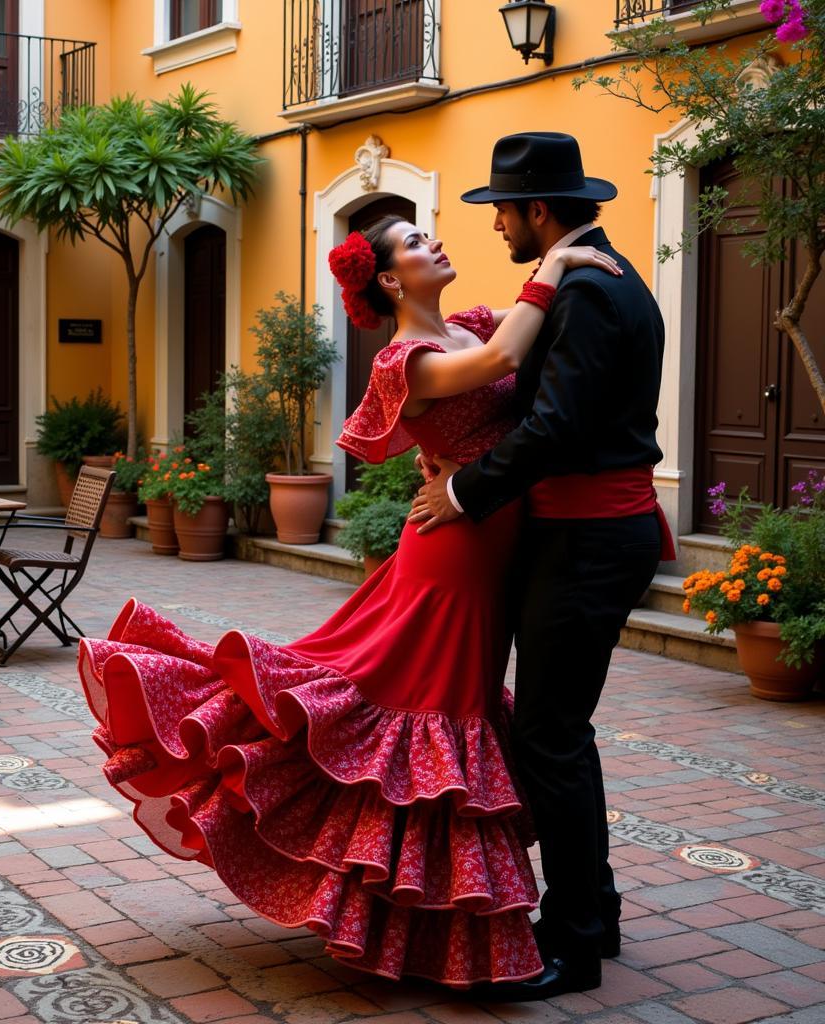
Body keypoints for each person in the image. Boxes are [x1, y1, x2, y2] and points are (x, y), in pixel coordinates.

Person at [77, 214, 620, 989]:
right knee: (435, 702)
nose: (434, 242)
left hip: (484, 546)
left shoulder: (463, 324)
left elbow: (518, 324)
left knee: (434, 705)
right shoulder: (409, 360)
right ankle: (419, 921)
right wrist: (562, 256)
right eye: (414, 243)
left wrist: (565, 278)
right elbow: (511, 352)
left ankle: (426, 915)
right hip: (455, 555)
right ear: (393, 282)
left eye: (429, 232)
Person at [411, 132, 675, 1001]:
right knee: (559, 733)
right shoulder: (605, 275)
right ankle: (593, 908)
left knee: (550, 738)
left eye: (504, 212)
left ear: (538, 210)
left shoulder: (590, 291)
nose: (497, 229)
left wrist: (465, 492)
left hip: (590, 538)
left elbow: (556, 427)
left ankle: (575, 943)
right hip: (585, 533)